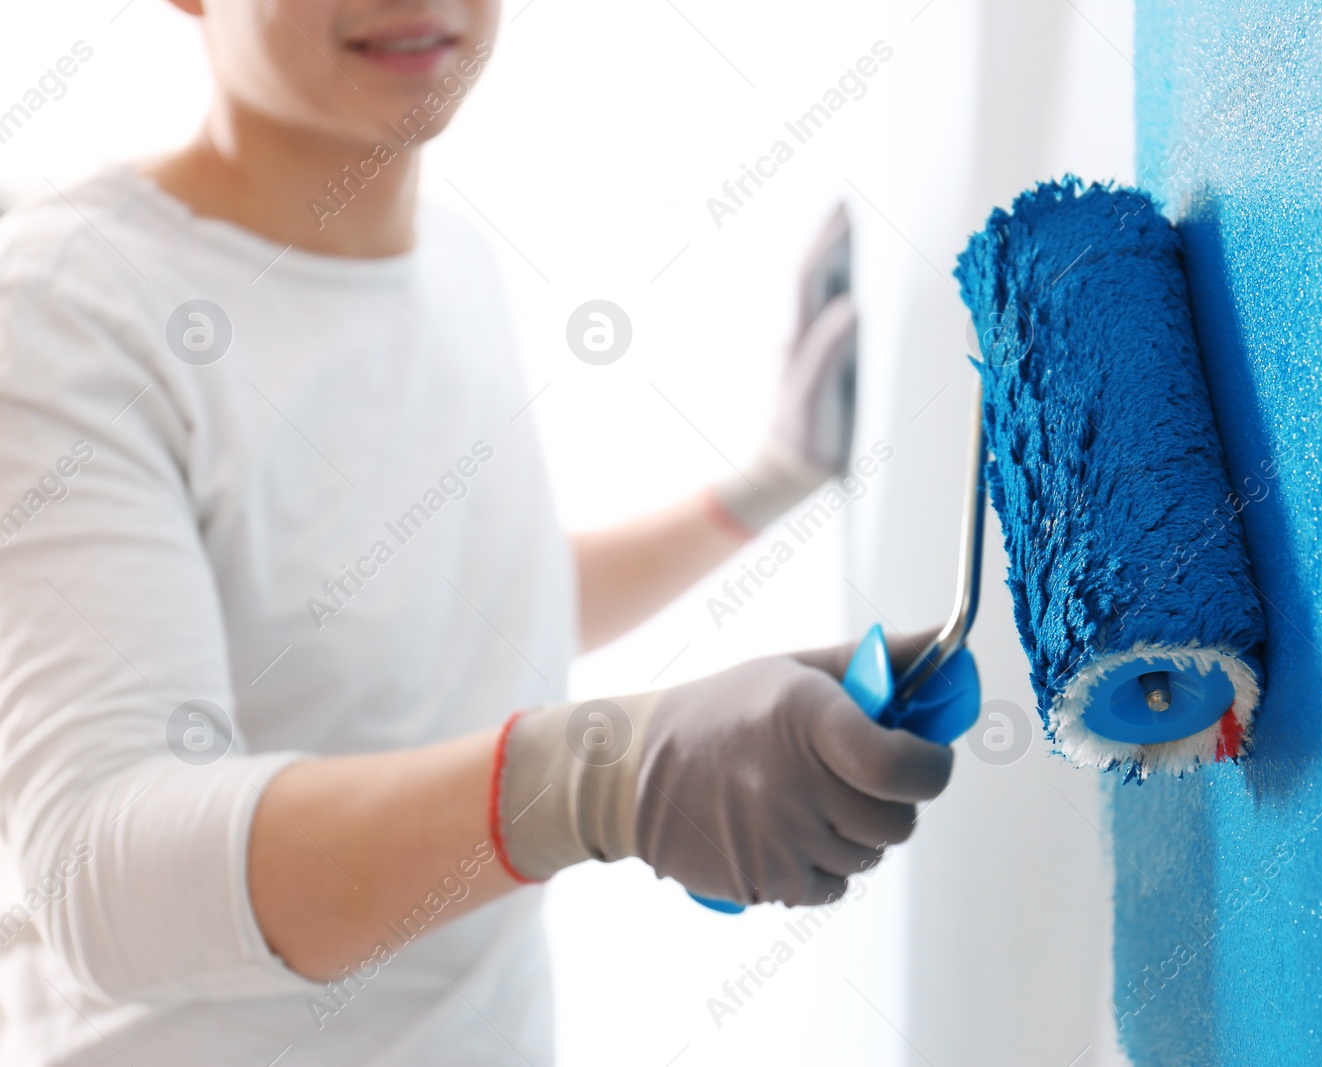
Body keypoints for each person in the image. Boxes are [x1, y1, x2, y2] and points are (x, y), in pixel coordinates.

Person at [0, 2, 960, 1063]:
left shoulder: (450, 255)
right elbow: (98, 868)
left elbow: (449, 600)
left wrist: (763, 489)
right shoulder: (60, 309)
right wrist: (597, 775)